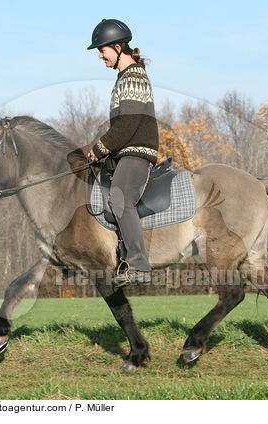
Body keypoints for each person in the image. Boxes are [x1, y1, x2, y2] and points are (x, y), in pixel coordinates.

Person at [86, 18, 159, 288]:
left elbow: (127, 124)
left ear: (118, 47)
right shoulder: (124, 78)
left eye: (102, 50)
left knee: (119, 200)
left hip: (137, 152)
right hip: (124, 151)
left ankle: (138, 265)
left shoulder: (133, 77)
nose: (100, 55)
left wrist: (99, 147)